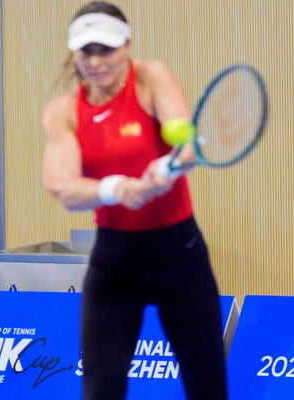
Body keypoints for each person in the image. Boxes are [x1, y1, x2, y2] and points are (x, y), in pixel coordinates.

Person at [42, 2, 227, 399]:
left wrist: (168, 167)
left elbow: (185, 143)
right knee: (100, 389)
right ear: (74, 53)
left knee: (208, 384)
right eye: (86, 51)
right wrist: (116, 189)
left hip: (179, 256)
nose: (96, 62)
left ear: (126, 45)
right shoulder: (63, 111)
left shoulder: (151, 77)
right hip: (115, 263)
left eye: (106, 49)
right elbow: (62, 186)